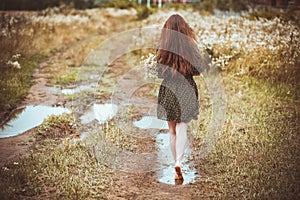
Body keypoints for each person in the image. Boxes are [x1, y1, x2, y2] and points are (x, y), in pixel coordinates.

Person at [156, 14, 208, 182]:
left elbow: (158, 72)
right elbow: (198, 70)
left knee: (172, 130)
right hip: (187, 88)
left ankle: (174, 164)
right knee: (182, 127)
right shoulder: (191, 46)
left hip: (169, 89)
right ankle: (179, 162)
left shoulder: (163, 47)